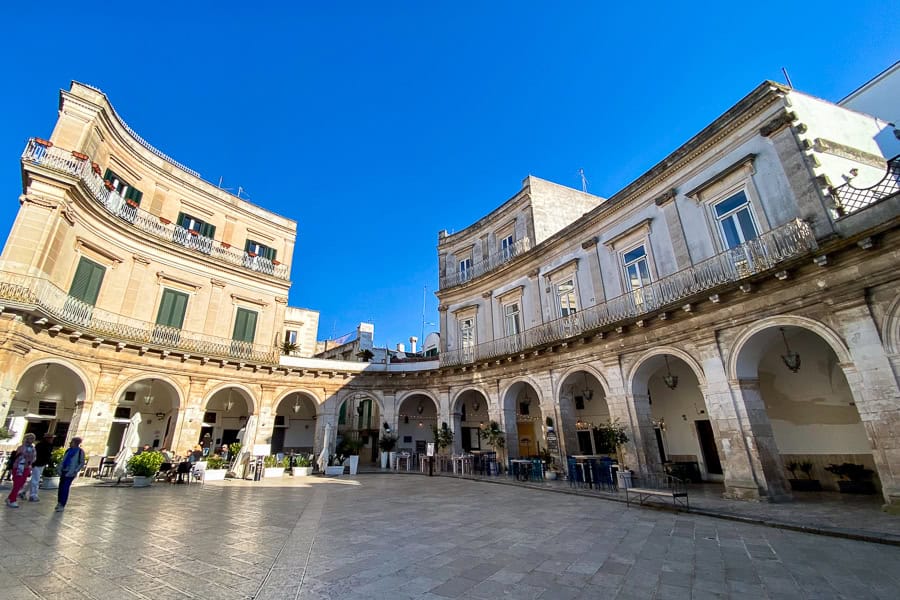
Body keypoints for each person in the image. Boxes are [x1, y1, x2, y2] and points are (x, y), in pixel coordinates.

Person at [7, 433, 36, 508]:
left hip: (26, 468)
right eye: (30, 438)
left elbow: (33, 458)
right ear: (26, 438)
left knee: (21, 484)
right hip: (19, 467)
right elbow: (19, 456)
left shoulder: (33, 448)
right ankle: (12, 500)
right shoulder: (21, 447)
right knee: (17, 484)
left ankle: (10, 497)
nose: (31, 439)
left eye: (33, 438)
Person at [56, 437, 85, 512]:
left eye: (71, 442)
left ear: (76, 443)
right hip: (64, 470)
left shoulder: (80, 452)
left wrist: (76, 470)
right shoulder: (68, 451)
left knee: (65, 487)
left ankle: (62, 504)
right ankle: (59, 502)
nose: (70, 443)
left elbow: (82, 462)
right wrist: (59, 468)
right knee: (61, 487)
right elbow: (64, 460)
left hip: (71, 472)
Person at [26, 434, 54, 502]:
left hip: (42, 464)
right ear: (47, 438)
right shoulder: (41, 445)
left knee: (34, 479)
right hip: (37, 464)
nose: (52, 439)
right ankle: (33, 495)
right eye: (51, 438)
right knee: (36, 480)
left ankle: (23, 492)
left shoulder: (49, 445)